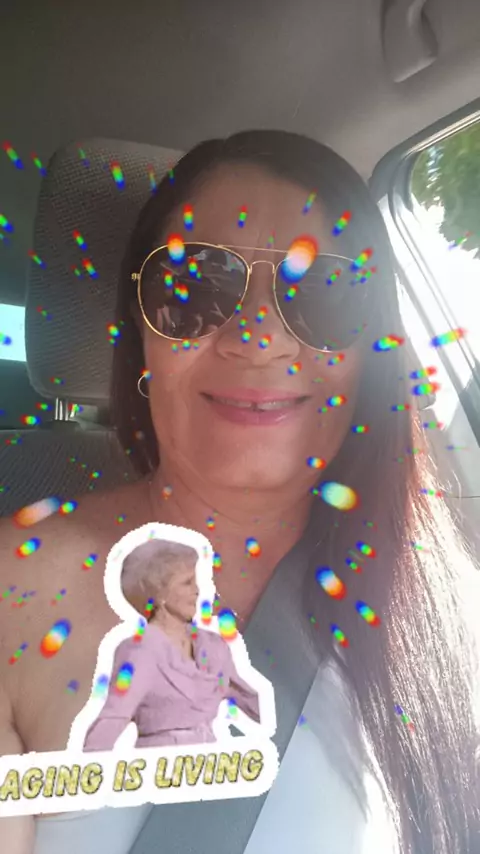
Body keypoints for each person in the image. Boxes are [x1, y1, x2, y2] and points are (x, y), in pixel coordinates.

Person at [0, 129, 479, 854]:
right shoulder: (19, 587)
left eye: (323, 294)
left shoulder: (448, 604)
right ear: (141, 336)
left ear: (371, 349)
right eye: (194, 287)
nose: (258, 338)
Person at [81, 537, 260, 751]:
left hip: (211, 765)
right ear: (160, 594)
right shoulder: (140, 653)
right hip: (161, 766)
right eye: (187, 582)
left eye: (195, 581)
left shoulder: (213, 647)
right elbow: (112, 720)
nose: (197, 590)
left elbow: (249, 699)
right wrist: (90, 768)